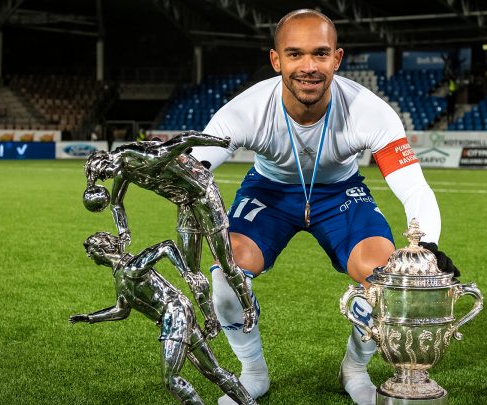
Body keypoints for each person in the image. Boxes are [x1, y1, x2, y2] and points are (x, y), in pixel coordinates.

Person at [190, 9, 457, 405]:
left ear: (337, 58)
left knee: (384, 279)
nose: (308, 67)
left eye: (320, 53)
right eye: (295, 54)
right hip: (270, 193)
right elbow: (194, 166)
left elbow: (413, 185)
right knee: (225, 280)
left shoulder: (370, 110)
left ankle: (354, 369)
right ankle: (252, 373)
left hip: (340, 195)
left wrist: (429, 249)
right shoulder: (245, 109)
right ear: (276, 60)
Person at [82, 132, 257, 340]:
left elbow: (187, 138)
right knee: (191, 270)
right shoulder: (123, 171)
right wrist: (123, 230)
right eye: (105, 177)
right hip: (184, 205)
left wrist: (222, 142)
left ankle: (249, 310)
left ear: (110, 159)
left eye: (106, 172)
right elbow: (116, 203)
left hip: (204, 196)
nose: (110, 177)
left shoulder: (143, 156)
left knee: (226, 263)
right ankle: (211, 320)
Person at [69, 232, 256, 405]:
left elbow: (167, 246)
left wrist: (187, 273)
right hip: (179, 313)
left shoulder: (131, 266)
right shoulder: (120, 275)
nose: (89, 255)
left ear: (101, 250)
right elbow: (121, 310)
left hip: (173, 313)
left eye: (90, 251)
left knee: (171, 379)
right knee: (213, 370)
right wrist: (90, 318)